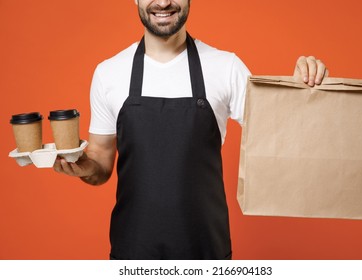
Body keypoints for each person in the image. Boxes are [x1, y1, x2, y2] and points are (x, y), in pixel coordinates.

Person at [53, 0, 328, 260]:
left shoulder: (226, 67)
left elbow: (282, 136)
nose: (163, 3)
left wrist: (302, 90)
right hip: (132, 251)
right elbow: (100, 163)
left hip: (206, 250)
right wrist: (83, 167)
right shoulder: (108, 73)